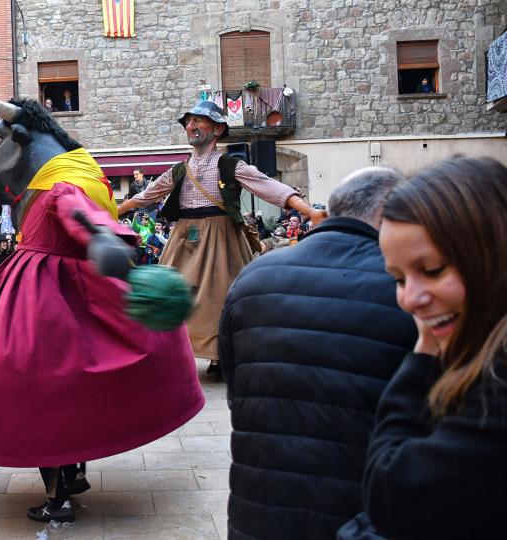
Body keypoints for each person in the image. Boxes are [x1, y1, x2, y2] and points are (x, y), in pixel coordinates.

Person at [0, 83, 205, 524]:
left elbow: (83, 217)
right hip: (63, 292)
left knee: (34, 391)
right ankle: (73, 473)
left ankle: (59, 495)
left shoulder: (63, 186)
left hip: (42, 303)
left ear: (21, 140)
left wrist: (103, 239)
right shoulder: (71, 176)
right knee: (66, 388)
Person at [219, 167, 417, 539]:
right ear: (394, 213)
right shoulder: (406, 287)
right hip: (356, 513)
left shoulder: (253, 276)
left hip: (257, 512)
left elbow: (235, 386)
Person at [338, 156, 507, 539]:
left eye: (432, 271)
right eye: (399, 279)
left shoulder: (498, 382)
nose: (411, 299)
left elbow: (391, 495)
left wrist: (423, 353)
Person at [117, 100, 326, 377]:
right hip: (183, 238)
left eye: (198, 121)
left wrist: (309, 211)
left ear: (217, 130)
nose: (191, 126)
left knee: (221, 297)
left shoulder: (229, 165)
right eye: (188, 122)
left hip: (220, 237)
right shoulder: (179, 169)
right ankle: (164, 349)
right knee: (168, 292)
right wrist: (111, 211)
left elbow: (269, 187)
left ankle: (220, 355)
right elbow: (146, 196)